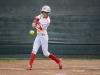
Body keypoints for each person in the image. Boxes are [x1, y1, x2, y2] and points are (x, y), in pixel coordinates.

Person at [27, 5, 62, 70]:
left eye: (45, 12)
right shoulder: (41, 15)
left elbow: (39, 28)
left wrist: (35, 26)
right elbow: (36, 19)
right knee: (34, 50)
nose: (43, 13)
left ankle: (58, 61)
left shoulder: (47, 21)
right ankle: (30, 65)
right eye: (43, 12)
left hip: (44, 36)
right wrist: (34, 22)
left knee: (45, 53)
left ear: (48, 13)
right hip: (38, 35)